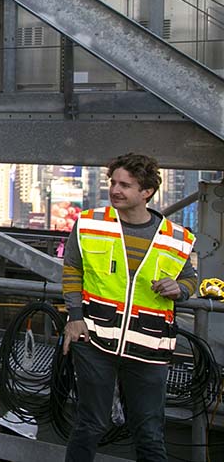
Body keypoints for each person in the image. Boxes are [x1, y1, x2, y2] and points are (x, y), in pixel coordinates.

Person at [62, 153, 198, 462]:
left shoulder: (176, 239)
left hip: (149, 348)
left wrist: (181, 289)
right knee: (90, 424)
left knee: (149, 433)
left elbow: (190, 279)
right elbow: (72, 270)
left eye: (125, 184)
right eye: (113, 182)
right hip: (94, 339)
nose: (115, 190)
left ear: (146, 192)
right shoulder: (89, 223)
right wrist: (74, 318)